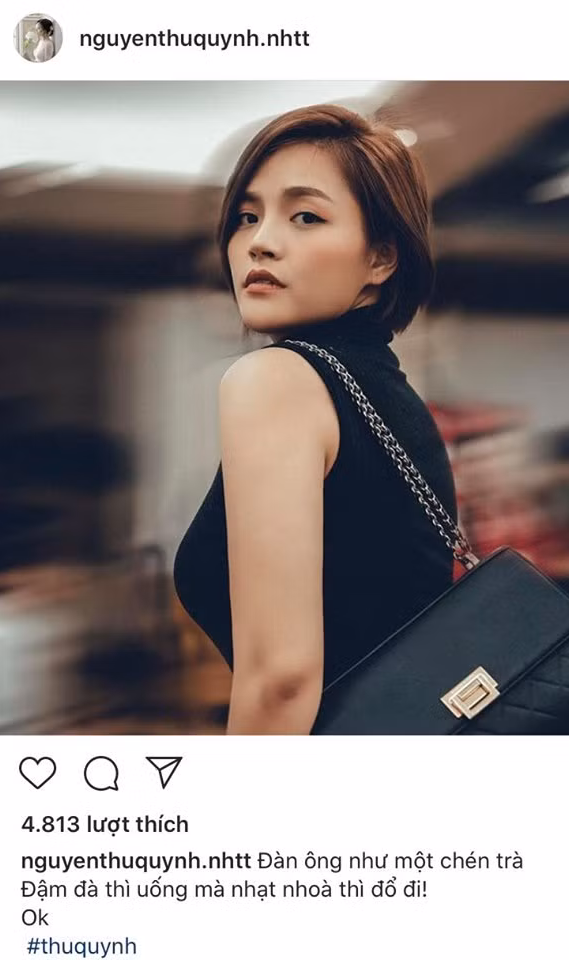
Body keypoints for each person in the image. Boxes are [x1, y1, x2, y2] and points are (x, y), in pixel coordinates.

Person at [173, 104, 458, 734]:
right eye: (247, 217)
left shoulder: (277, 381)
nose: (260, 241)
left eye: (306, 216)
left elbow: (281, 680)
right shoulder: (390, 398)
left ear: (381, 259)